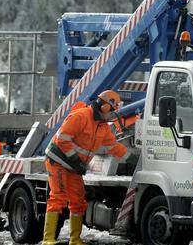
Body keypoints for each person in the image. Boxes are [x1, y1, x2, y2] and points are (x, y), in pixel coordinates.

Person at [42, 90, 131, 245]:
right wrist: (75, 160)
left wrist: (132, 158)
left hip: (74, 167)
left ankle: (75, 240)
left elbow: (113, 146)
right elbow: (63, 139)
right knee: (58, 197)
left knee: (78, 201)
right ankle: (48, 239)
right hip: (58, 161)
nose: (111, 114)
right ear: (104, 106)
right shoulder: (80, 116)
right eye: (112, 110)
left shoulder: (102, 127)